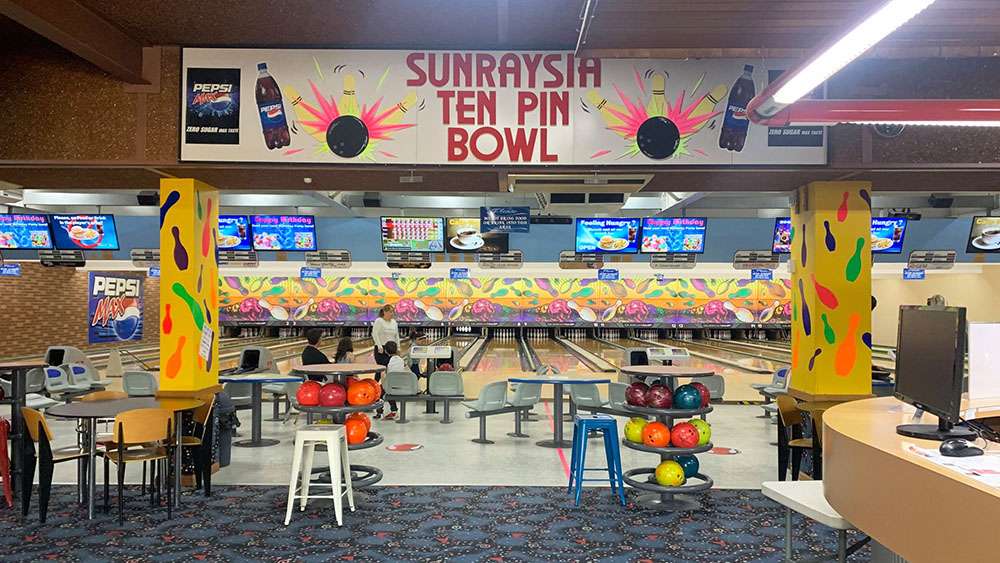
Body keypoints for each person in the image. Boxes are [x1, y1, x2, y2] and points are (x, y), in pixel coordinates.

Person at [376, 340, 401, 420]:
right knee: (388, 389)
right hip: (401, 384)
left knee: (380, 390)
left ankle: (379, 412)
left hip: (390, 385)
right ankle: (394, 411)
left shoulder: (386, 361)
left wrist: (380, 385)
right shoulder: (401, 360)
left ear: (386, 351)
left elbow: (382, 376)